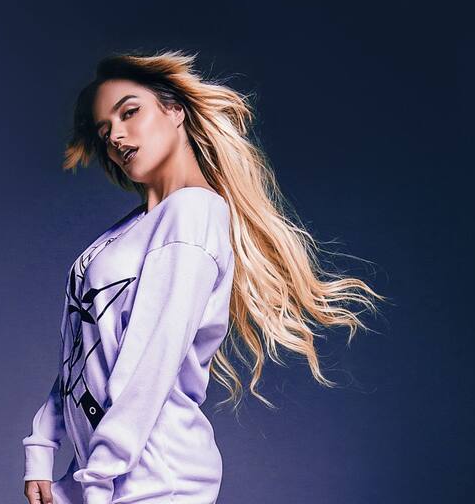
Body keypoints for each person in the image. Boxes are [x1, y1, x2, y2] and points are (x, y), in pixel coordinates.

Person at [22, 49, 385, 504]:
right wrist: (44, 446)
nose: (115, 135)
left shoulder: (193, 213)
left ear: (174, 110)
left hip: (154, 481)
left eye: (129, 113)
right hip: (107, 477)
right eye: (104, 129)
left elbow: (151, 360)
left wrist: (98, 476)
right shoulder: (129, 231)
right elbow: (86, 351)